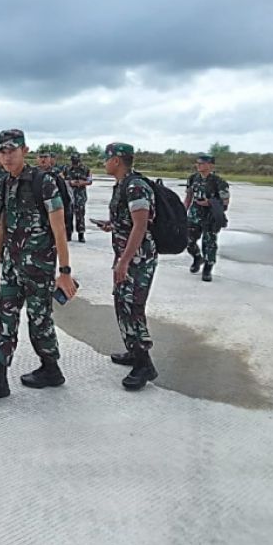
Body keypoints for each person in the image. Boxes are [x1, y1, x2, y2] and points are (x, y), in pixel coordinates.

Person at [0, 129, 76, 406]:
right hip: (11, 266)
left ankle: (51, 369)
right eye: (2, 151)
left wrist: (64, 273)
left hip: (39, 269)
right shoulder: (2, 184)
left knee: (39, 322)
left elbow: (59, 228)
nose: (7, 156)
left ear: (25, 150)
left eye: (12, 150)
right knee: (5, 321)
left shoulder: (45, 183)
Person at [97, 142, 160, 390]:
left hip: (137, 259)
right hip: (127, 256)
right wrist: (112, 226)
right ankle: (133, 351)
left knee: (133, 306)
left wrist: (124, 262)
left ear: (116, 161)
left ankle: (145, 364)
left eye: (106, 159)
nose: (104, 163)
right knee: (122, 303)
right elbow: (129, 222)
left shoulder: (135, 186)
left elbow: (141, 226)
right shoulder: (123, 185)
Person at [184, 153, 231, 282]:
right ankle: (197, 258)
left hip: (210, 217)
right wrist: (183, 212)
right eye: (197, 163)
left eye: (202, 163)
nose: (198, 165)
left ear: (210, 165)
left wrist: (210, 202)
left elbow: (225, 202)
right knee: (188, 240)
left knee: (209, 244)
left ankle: (208, 268)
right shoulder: (193, 178)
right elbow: (188, 197)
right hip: (194, 215)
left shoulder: (219, 182)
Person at [64, 153, 93, 242]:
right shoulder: (67, 169)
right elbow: (62, 179)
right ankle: (68, 234)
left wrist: (82, 183)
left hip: (80, 195)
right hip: (70, 195)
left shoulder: (85, 169)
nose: (75, 163)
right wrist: (70, 182)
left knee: (80, 215)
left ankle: (81, 234)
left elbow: (90, 180)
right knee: (68, 215)